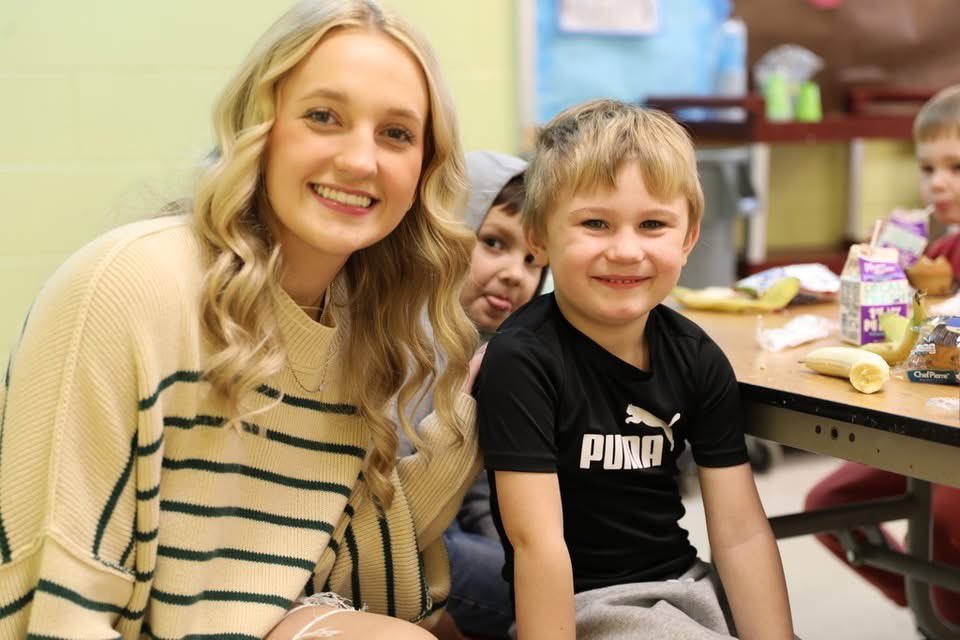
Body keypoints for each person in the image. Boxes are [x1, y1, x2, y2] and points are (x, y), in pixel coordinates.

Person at [0, 1, 484, 638]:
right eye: (323, 117)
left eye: (396, 133)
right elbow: (55, 610)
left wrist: (477, 415)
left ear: (423, 166)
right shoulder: (130, 284)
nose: (361, 161)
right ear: (261, 125)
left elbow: (355, 574)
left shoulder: (354, 326)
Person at [474, 99, 794, 640]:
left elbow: (739, 533)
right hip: (583, 603)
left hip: (687, 585)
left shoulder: (696, 355)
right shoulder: (521, 358)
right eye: (595, 223)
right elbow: (538, 545)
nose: (626, 251)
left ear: (688, 238)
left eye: (652, 224)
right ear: (539, 237)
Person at [805, 84, 960, 631]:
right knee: (826, 502)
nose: (937, 182)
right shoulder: (936, 253)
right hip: (917, 427)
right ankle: (923, 601)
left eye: (956, 167)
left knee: (946, 516)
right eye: (928, 168)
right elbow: (909, 343)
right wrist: (892, 278)